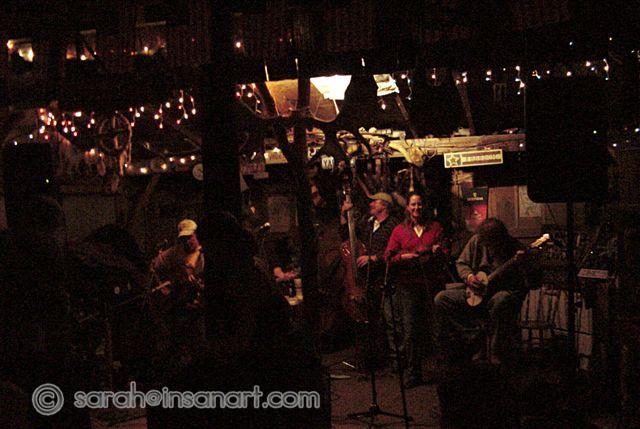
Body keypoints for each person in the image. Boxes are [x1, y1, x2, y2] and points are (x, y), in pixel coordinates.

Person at [434, 218, 540, 365]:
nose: (487, 246)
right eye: (485, 242)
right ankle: (475, 335)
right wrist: (469, 277)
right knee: (442, 298)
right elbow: (461, 263)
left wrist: (524, 265)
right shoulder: (477, 240)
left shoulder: (515, 248)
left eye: (490, 243)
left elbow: (533, 282)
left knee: (501, 300)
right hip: (478, 293)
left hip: (501, 293)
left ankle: (496, 351)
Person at [384, 192, 447, 387]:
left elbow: (446, 251)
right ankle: (413, 373)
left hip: (432, 283)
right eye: (413, 204)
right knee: (410, 330)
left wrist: (438, 251)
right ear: (407, 208)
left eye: (419, 204)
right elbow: (388, 256)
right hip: (408, 285)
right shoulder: (399, 230)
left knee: (436, 330)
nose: (416, 208)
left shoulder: (435, 227)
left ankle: (442, 373)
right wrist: (402, 257)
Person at [340, 191, 400, 369]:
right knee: (372, 320)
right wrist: (344, 214)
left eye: (375, 202)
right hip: (367, 279)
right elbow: (346, 235)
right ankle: (374, 359)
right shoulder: (368, 224)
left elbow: (395, 250)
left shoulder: (393, 225)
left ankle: (395, 360)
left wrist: (373, 258)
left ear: (385, 205)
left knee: (389, 320)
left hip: (385, 277)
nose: (371, 204)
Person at [150, 219, 205, 368]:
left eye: (190, 237)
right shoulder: (174, 253)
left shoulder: (205, 254)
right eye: (184, 238)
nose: (188, 241)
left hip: (200, 308)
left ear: (196, 235)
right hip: (180, 307)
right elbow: (154, 268)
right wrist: (165, 288)